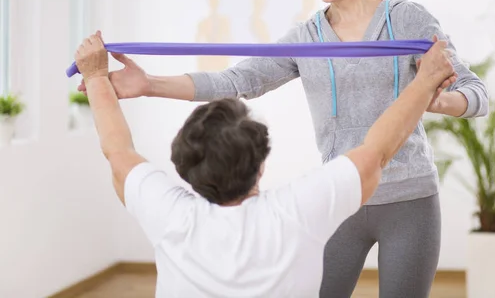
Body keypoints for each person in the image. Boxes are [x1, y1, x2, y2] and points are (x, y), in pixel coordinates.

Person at [78, 0, 489, 297]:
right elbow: (236, 80)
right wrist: (148, 83)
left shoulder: (408, 20)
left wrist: (440, 103)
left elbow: (475, 93)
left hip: (410, 201)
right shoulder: (305, 38)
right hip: (341, 198)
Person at [74, 30, 457, 297]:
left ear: (183, 167)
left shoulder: (167, 214)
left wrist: (95, 76)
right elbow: (375, 153)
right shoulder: (296, 211)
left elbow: (117, 150)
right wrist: (425, 82)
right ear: (260, 165)